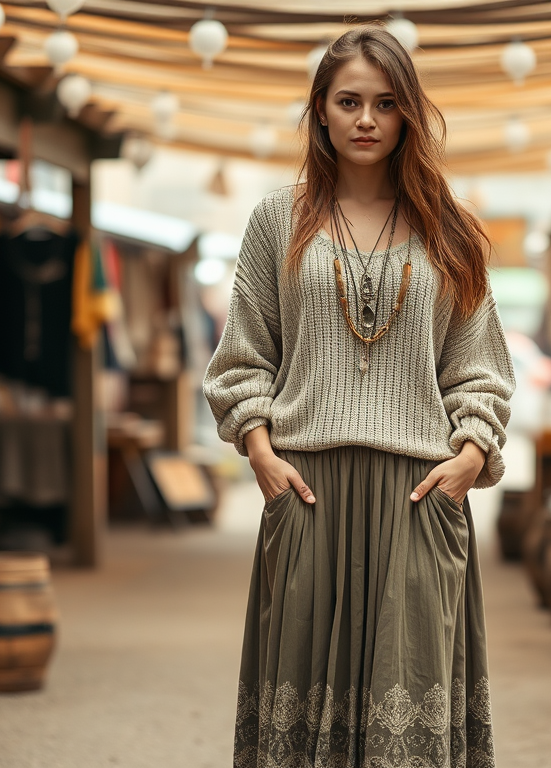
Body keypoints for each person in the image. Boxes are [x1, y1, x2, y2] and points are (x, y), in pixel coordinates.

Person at [204, 24, 515, 768]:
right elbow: (243, 356)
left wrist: (470, 456)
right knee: (303, 693)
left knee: (405, 704)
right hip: (308, 490)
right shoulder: (276, 221)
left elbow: (481, 366)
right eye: (349, 101)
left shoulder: (451, 231)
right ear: (320, 110)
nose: (367, 119)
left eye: (385, 102)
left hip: (418, 493)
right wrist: (260, 456)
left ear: (409, 112)